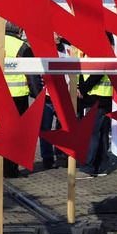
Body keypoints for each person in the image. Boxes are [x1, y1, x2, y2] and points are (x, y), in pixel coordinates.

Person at [0, 22, 42, 178]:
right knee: (16, 135)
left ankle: (1, 167)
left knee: (3, 132)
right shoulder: (22, 47)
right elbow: (32, 74)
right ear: (20, 31)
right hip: (17, 96)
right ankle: (11, 169)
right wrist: (38, 94)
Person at [76, 32, 115, 177]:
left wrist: (82, 89)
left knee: (92, 133)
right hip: (102, 97)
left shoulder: (98, 52)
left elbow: (97, 73)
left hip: (96, 97)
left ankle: (89, 167)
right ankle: (101, 166)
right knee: (101, 132)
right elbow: (82, 71)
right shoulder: (99, 52)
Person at [39, 32, 69, 170]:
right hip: (46, 98)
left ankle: (64, 154)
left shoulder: (68, 50)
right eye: (56, 34)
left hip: (64, 96)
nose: (59, 37)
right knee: (45, 129)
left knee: (65, 128)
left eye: (60, 34)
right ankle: (47, 158)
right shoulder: (40, 50)